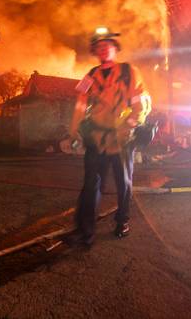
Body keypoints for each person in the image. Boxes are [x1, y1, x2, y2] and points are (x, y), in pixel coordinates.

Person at [68, 27, 151, 246]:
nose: (103, 50)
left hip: (123, 139)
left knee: (123, 183)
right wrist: (73, 132)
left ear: (115, 49)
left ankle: (122, 221)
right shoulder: (90, 75)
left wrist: (129, 126)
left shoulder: (129, 72)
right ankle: (85, 231)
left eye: (108, 46)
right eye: (99, 47)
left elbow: (139, 105)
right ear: (95, 51)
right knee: (90, 185)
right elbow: (79, 105)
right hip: (97, 139)